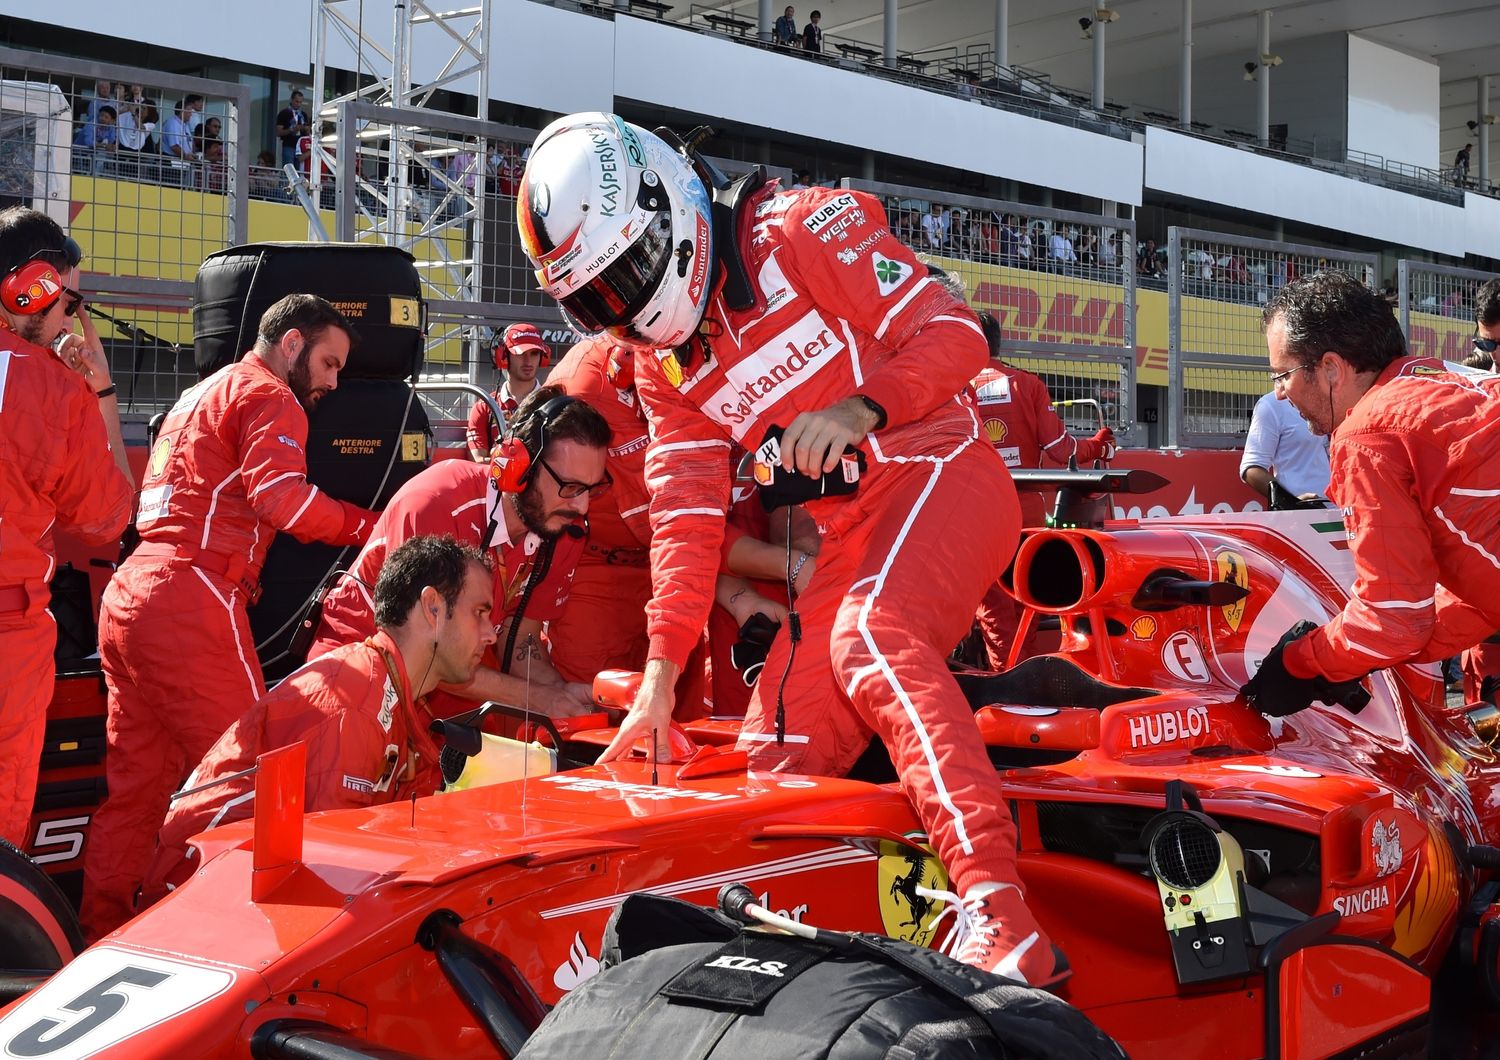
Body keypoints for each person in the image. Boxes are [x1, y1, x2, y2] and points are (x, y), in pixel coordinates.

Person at [517, 113, 1062, 986]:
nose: (622, 311)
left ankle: (1002, 911)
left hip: (944, 471)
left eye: (623, 278)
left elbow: (957, 334)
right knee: (774, 752)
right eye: (595, 301)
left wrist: (858, 410)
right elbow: (688, 522)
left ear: (669, 213)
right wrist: (658, 678)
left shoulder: (803, 228)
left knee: (868, 638)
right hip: (849, 541)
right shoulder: (660, 369)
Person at [82, 294, 377, 940]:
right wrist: (369, 529)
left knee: (136, 792)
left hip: (131, 595)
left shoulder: (201, 393)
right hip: (191, 598)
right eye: (329, 363)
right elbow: (283, 502)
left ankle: (101, 937)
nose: (332, 381)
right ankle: (251, 943)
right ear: (292, 344)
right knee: (257, 778)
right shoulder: (272, 396)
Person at [138, 535, 495, 906]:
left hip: (235, 892)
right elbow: (331, 883)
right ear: (433, 608)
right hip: (199, 903)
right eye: (480, 613)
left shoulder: (389, 692)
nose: (489, 634)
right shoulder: (355, 706)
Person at [1241, 272, 1500, 717]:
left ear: (1331, 369)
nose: (1279, 393)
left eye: (1282, 374)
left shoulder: (1369, 433)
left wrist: (1300, 661)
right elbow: (1473, 600)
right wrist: (1351, 651)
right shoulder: (1437, 380)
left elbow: (1394, 618)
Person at [310, 385, 609, 718]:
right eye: (570, 487)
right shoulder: (436, 503)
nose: (581, 506)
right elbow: (425, 649)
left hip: (452, 677)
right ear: (518, 466)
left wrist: (560, 694)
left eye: (592, 490)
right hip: (360, 666)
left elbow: (520, 637)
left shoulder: (562, 528)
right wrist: (536, 699)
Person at [0, 207, 133, 847]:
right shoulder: (53, 391)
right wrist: (95, 391)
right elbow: (108, 518)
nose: (66, 316)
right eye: (65, 298)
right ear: (32, 290)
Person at [969, 307, 1115, 669]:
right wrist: (1100, 445)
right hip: (1023, 516)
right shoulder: (1027, 384)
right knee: (1022, 610)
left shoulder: (954, 392)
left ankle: (1001, 694)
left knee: (993, 617)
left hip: (970, 517)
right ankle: (1015, 694)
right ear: (999, 344)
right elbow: (1062, 451)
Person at [467, 322, 549, 461]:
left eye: (534, 353)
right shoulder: (485, 407)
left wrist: (499, 456)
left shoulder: (553, 404)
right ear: (503, 357)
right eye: (520, 353)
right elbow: (478, 463)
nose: (528, 361)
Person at [1239, 387, 1330, 505]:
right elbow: (1252, 468)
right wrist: (1290, 501)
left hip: (1348, 509)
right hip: (1305, 514)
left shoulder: (1340, 396)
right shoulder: (1271, 405)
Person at [276, 90, 309, 167]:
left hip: (301, 148)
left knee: (299, 171)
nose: (298, 104)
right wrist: (291, 130)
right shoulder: (284, 113)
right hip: (289, 145)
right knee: (289, 170)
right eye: (296, 101)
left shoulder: (303, 114)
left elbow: (307, 132)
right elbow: (278, 132)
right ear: (291, 99)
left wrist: (306, 129)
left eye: (300, 102)